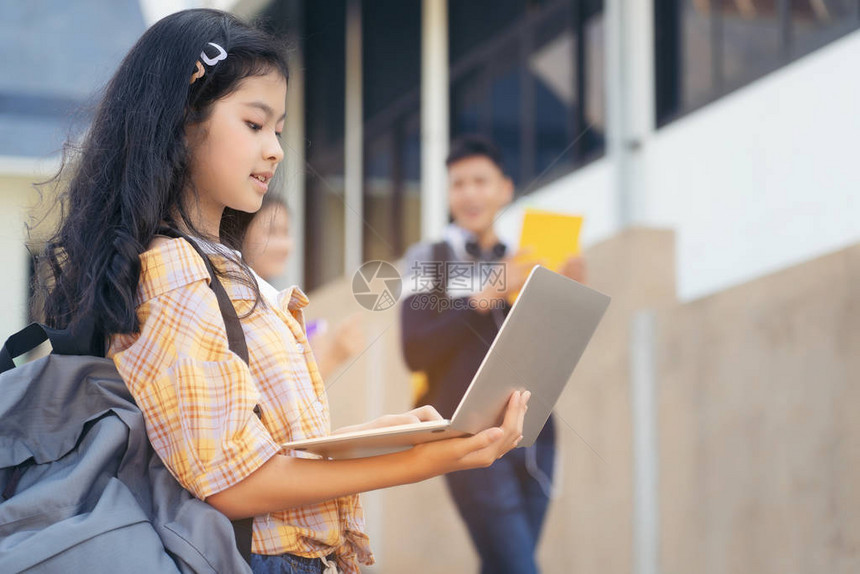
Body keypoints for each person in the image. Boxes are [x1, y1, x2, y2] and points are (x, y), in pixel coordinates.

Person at [36, 10, 529, 574]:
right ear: (180, 121)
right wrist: (429, 459)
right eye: (254, 124)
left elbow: (264, 451)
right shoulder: (174, 272)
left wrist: (396, 437)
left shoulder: (218, 267)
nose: (276, 149)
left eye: (279, 128)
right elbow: (236, 483)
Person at [400, 135, 586, 574]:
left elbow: (550, 352)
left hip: (535, 436)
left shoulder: (527, 259)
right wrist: (485, 297)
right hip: (469, 435)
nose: (469, 193)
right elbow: (415, 349)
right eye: (458, 183)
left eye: (480, 181)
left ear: (504, 189)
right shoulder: (431, 259)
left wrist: (569, 297)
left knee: (503, 566)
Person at [243, 195, 363, 380]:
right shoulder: (242, 308)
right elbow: (282, 403)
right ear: (240, 233)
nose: (285, 245)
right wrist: (333, 357)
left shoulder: (273, 303)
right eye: (272, 232)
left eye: (286, 233)